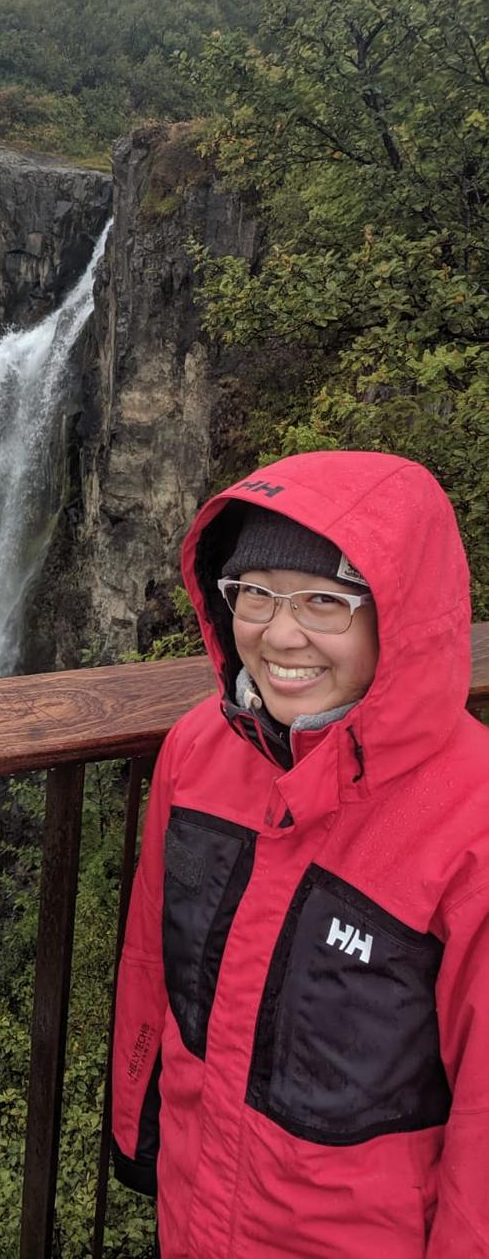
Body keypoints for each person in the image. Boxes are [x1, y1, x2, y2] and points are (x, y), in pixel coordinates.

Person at [110, 450, 489, 1258]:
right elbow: (151, 966)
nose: (281, 633)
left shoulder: (472, 822)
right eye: (256, 593)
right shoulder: (198, 752)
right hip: (195, 1216)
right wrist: (137, 1133)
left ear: (398, 613)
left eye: (326, 601)